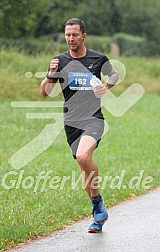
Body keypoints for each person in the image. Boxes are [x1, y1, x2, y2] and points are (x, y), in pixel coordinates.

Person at [41, 18, 119, 233]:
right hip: (71, 122)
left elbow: (114, 74)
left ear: (84, 36)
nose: (71, 39)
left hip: (93, 118)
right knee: (84, 166)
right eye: (67, 35)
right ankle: (98, 213)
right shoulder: (59, 61)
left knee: (84, 158)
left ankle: (97, 204)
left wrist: (106, 86)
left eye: (75, 34)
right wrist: (49, 75)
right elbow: (44, 92)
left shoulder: (98, 58)